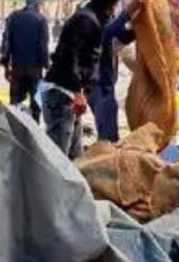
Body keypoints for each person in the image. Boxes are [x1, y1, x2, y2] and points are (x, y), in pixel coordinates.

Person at [42, 0, 118, 159]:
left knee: (74, 159)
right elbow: (69, 55)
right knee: (59, 160)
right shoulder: (85, 21)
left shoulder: (93, 20)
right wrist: (78, 92)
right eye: (113, 6)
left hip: (68, 95)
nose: (113, 11)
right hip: (61, 93)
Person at [88, 2, 138, 142]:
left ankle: (107, 155)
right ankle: (106, 160)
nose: (113, 9)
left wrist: (136, 28)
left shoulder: (103, 17)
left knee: (109, 130)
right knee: (108, 134)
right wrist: (126, 14)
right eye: (112, 5)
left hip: (105, 83)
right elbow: (107, 33)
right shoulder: (89, 17)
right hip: (97, 84)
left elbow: (117, 38)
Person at [2, 0, 49, 122]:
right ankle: (34, 130)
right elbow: (43, 46)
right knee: (36, 105)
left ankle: (15, 129)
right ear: (37, 4)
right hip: (35, 68)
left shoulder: (13, 17)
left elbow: (6, 44)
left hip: (17, 67)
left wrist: (6, 66)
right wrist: (46, 65)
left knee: (15, 104)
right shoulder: (41, 20)